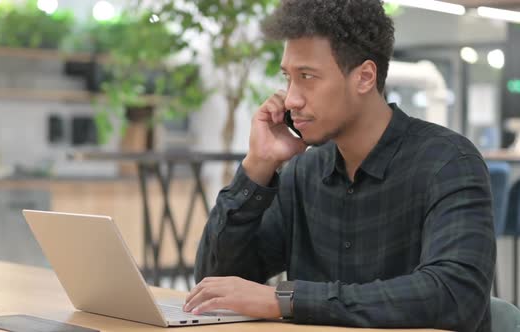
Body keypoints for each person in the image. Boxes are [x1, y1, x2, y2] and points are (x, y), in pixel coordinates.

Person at [183, 0, 496, 331]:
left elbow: (455, 295)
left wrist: (285, 299)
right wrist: (258, 164)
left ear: (364, 77)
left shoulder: (448, 162)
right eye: (289, 77)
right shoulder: (303, 173)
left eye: (307, 76)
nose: (291, 99)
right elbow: (214, 285)